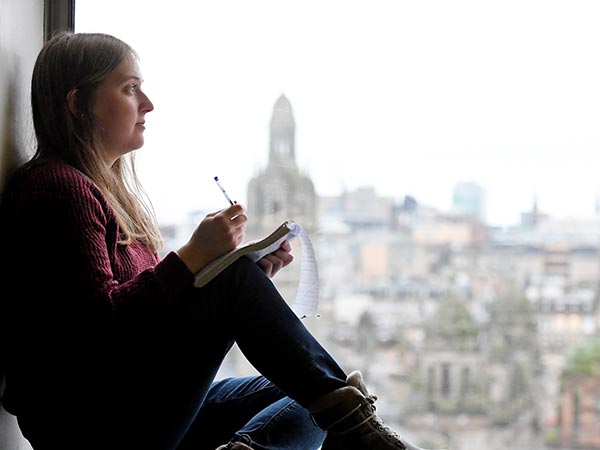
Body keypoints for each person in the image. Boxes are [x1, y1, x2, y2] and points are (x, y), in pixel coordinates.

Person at [0, 31, 444, 450]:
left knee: (313, 383)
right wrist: (196, 258)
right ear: (79, 105)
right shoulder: (59, 187)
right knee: (313, 378)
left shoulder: (102, 194)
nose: (149, 104)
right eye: (130, 89)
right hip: (92, 425)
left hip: (127, 406)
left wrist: (249, 277)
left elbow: (150, 316)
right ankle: (363, 433)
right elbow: (100, 330)